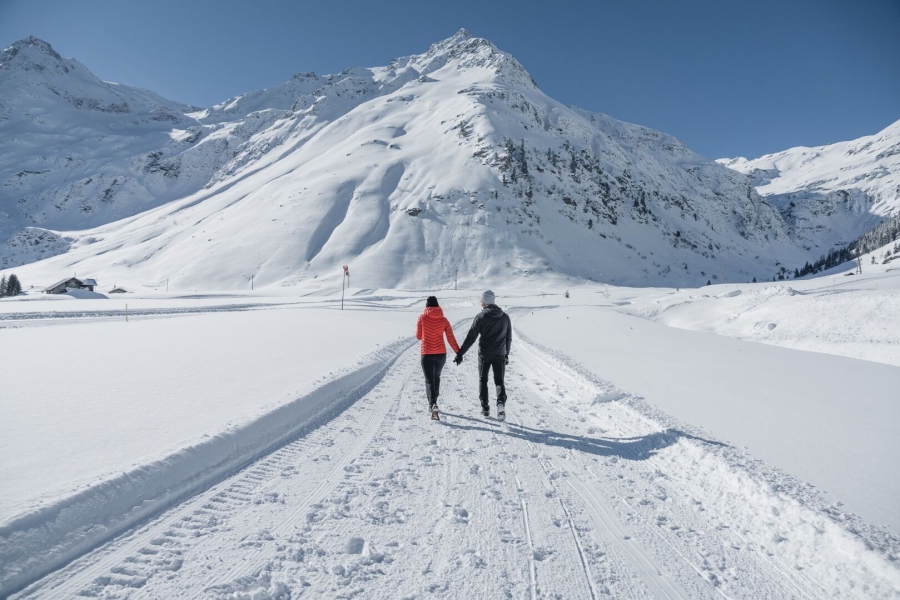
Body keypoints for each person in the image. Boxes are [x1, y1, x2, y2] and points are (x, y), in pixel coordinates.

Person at [454, 290, 512, 420]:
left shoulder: (480, 317)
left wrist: (460, 353)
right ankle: (501, 403)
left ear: (485, 302)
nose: (480, 303)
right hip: (500, 354)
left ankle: (485, 409)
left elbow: (471, 337)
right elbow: (509, 338)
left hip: (484, 355)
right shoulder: (505, 317)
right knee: (499, 381)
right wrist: (506, 354)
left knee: (483, 380)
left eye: (481, 301)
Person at [416, 296, 459, 420]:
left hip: (427, 353)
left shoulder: (422, 318)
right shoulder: (444, 320)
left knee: (429, 380)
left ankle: (432, 404)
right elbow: (451, 338)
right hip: (441, 354)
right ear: (438, 306)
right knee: (436, 377)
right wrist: (458, 352)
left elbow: (419, 336)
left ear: (427, 306)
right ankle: (435, 399)